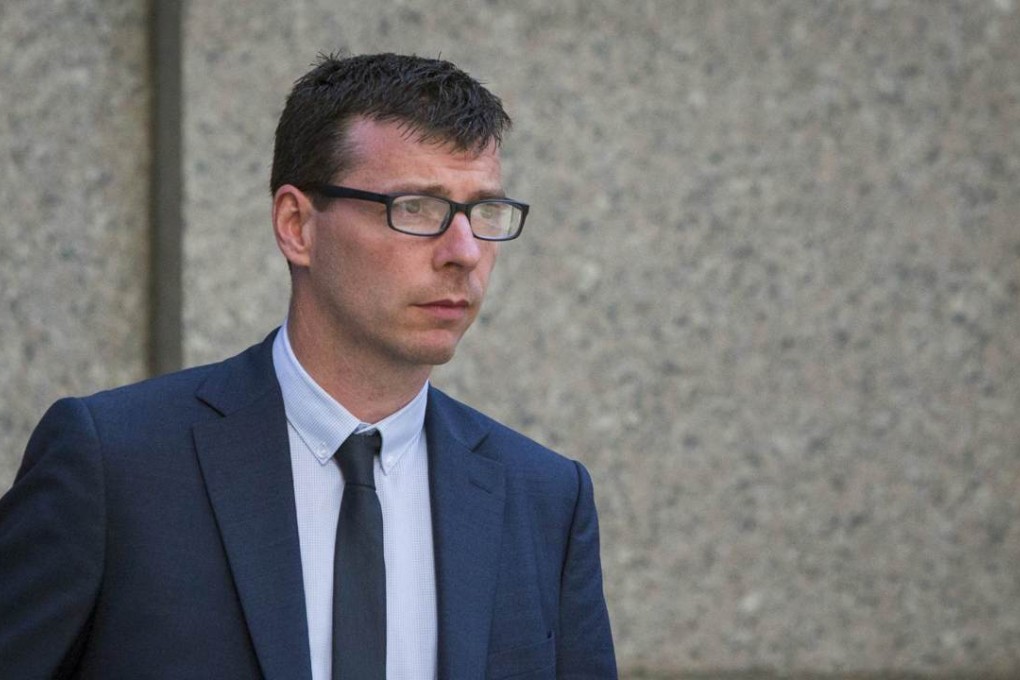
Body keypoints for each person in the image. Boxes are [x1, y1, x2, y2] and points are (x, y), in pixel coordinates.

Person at [0, 53, 616, 678]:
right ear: (297, 225)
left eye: (483, 213)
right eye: (417, 208)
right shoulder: (114, 463)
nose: (464, 253)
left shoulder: (544, 498)